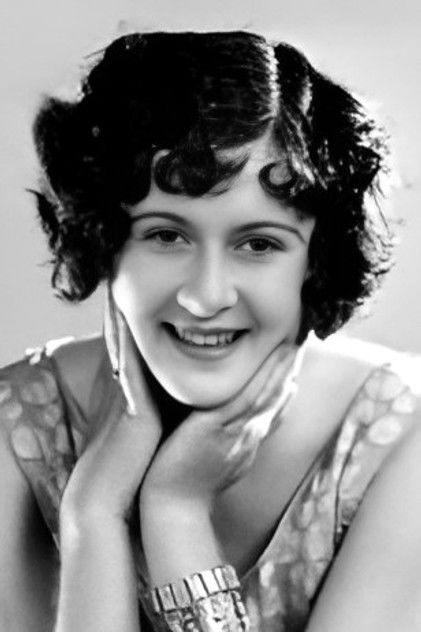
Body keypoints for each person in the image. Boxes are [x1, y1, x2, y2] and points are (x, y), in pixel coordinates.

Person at [1, 29, 420, 632]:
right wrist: (92, 515)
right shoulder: (16, 428)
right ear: (103, 240)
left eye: (259, 244)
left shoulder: (400, 437)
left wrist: (176, 512)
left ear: (316, 259)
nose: (205, 297)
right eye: (166, 235)